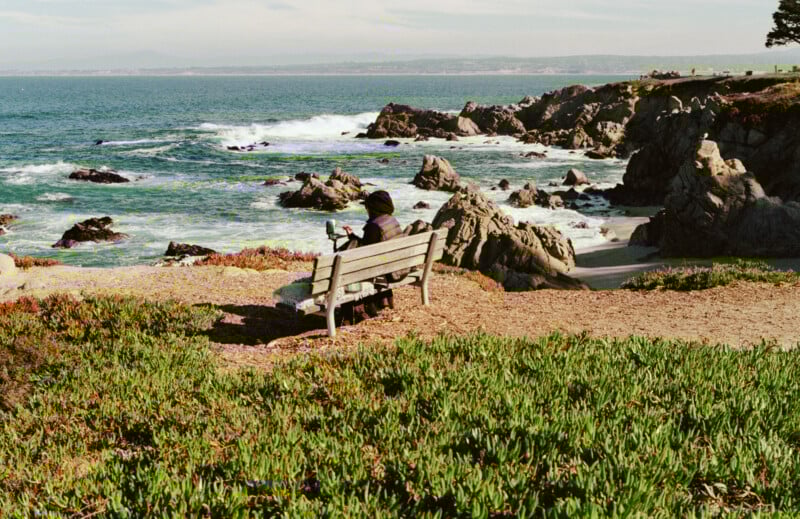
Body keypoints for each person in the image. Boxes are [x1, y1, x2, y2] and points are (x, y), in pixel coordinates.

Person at [339, 190, 404, 323]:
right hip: (400, 267)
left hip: (388, 273)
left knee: (348, 272)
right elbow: (370, 247)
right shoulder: (392, 220)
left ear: (374, 208)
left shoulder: (373, 226)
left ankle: (354, 312)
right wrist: (352, 236)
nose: (366, 210)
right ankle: (381, 302)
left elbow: (364, 254)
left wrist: (350, 242)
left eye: (367, 207)